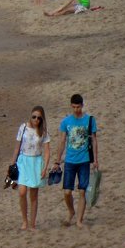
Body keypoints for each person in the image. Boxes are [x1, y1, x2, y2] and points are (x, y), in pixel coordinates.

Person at [52, 94, 98, 227]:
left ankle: (79, 220)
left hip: (84, 160)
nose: (76, 109)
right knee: (67, 192)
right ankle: (71, 211)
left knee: (82, 190)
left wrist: (96, 159)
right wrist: (57, 160)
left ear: (82, 105)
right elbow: (62, 141)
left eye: (78, 107)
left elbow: (94, 140)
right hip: (70, 161)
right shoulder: (66, 122)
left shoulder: (89, 120)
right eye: (74, 107)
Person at [12, 106, 51, 230]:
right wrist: (12, 164)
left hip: (36, 162)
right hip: (23, 161)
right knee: (22, 191)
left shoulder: (43, 132)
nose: (36, 119)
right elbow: (17, 147)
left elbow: (47, 151)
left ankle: (32, 223)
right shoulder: (23, 128)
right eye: (34, 116)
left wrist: (45, 168)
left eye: (39, 118)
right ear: (31, 115)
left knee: (33, 196)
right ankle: (24, 221)